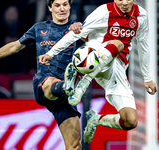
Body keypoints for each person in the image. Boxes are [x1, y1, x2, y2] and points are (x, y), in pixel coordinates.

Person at [0, 0, 85, 149]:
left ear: (69, 6)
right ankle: (67, 88)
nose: (62, 8)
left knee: (74, 145)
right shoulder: (39, 28)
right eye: (57, 5)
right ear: (50, 7)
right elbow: (14, 46)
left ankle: (67, 89)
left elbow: (95, 46)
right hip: (44, 84)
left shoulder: (78, 29)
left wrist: (83, 32)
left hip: (64, 96)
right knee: (50, 83)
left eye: (65, 4)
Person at [38, 0, 157, 145]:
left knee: (130, 121)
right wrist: (51, 53)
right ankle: (82, 84)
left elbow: (144, 47)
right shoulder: (104, 11)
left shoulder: (141, 16)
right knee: (118, 43)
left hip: (116, 69)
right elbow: (77, 33)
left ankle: (96, 120)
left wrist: (147, 77)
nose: (124, 3)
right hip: (89, 58)